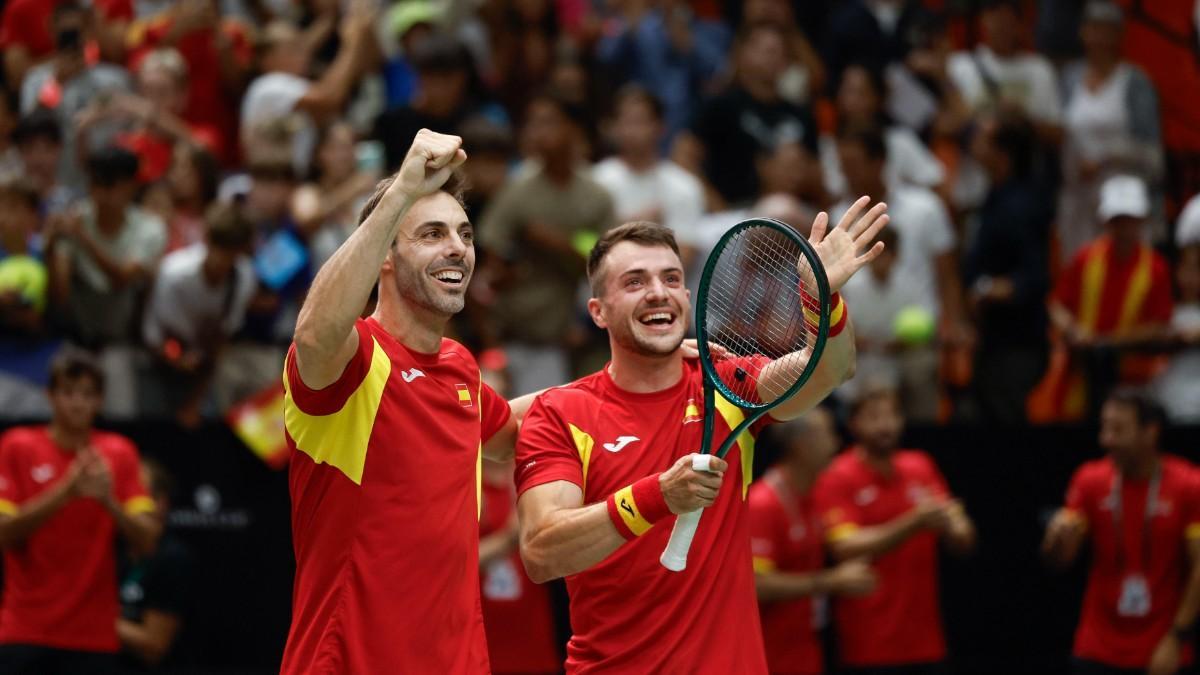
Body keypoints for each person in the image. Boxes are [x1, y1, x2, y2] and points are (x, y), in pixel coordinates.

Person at [514, 197, 889, 672]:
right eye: (634, 282)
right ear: (598, 311)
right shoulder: (559, 413)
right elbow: (542, 551)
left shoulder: (728, 386)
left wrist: (823, 300)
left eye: (671, 279)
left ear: (687, 298)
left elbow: (830, 370)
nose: (658, 292)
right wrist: (658, 496)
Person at [279, 129, 529, 673]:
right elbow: (315, 336)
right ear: (384, 257)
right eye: (432, 233)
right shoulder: (357, 359)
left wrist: (632, 372)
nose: (457, 248)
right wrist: (399, 194)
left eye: (464, 234)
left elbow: (513, 430)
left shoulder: (460, 365)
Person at [0, 348, 160, 675]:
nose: (77, 403)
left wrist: (108, 500)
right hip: (25, 630)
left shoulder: (119, 453)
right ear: (50, 396)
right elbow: (4, 534)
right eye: (68, 392)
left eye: (87, 394)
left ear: (100, 401)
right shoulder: (17, 445)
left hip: (93, 637)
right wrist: (66, 492)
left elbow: (148, 540)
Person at [814, 383, 975, 674]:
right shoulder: (837, 475)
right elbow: (843, 547)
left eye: (892, 416)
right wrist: (914, 522)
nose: (885, 425)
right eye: (873, 417)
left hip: (926, 641)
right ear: (853, 424)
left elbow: (959, 534)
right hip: (868, 643)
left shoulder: (921, 466)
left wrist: (958, 527)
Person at [1043, 390, 1200, 675]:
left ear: (1150, 432)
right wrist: (1055, 540)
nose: (1106, 440)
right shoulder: (1089, 480)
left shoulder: (1189, 484)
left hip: (1162, 645)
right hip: (1096, 646)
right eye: (1104, 427)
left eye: (1118, 430)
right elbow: (1060, 561)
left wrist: (1178, 636)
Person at [749, 407, 878, 675]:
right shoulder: (764, 503)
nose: (837, 443)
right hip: (769, 655)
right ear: (800, 444)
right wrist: (830, 581)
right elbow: (756, 585)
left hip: (806, 648)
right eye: (828, 434)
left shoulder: (813, 495)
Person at [1042, 174, 1173, 421]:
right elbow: (1056, 304)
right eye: (1117, 221)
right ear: (1106, 221)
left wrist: (1110, 342)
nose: (1123, 229)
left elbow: (1160, 325)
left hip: (1134, 382)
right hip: (1080, 379)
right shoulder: (1086, 258)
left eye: (1129, 220)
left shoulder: (1156, 268)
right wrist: (1073, 329)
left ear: (1141, 221)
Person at [963, 111, 1053, 423]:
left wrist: (987, 290)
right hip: (994, 339)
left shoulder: (1021, 206)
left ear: (1003, 153)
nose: (972, 140)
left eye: (983, 137)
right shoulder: (995, 195)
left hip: (1018, 345)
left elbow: (1034, 277)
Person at [1058, 1, 1164, 259]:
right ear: (1082, 32)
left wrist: (1106, 157)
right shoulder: (1069, 79)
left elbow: (1154, 158)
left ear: (1119, 35)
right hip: (1080, 208)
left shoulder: (1135, 83)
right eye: (1093, 28)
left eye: (1106, 30)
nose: (1099, 38)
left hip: (1125, 207)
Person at [117, 459, 193, 671]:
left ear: (162, 503)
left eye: (139, 497)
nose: (130, 506)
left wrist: (91, 620)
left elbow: (155, 645)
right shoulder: (113, 550)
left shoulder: (173, 558)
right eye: (124, 495)